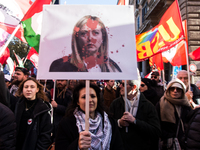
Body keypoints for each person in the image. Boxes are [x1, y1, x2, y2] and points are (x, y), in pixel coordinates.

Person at [55, 83, 124, 150]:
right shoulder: (66, 124)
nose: (90, 100)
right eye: (84, 97)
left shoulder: (109, 122)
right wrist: (77, 146)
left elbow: (118, 146)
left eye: (93, 96)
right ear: (77, 101)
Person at [49, 15, 122, 72]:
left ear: (103, 37)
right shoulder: (60, 65)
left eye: (95, 33)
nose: (90, 38)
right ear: (76, 37)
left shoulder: (112, 67)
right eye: (84, 33)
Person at [110, 79, 161, 150]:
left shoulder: (148, 106)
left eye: (124, 84)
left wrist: (135, 121)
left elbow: (155, 131)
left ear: (133, 87)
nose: (120, 86)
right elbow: (108, 125)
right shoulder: (115, 104)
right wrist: (119, 123)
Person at [15, 77, 52, 150]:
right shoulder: (17, 105)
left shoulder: (43, 109)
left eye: (32, 87)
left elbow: (45, 135)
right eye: (26, 87)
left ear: (37, 90)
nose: (29, 89)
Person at [156, 78, 191, 149]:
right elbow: (156, 123)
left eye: (178, 89)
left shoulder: (186, 105)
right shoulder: (160, 103)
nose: (175, 91)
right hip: (167, 142)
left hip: (183, 142)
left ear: (182, 92)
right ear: (168, 90)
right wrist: (167, 135)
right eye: (172, 89)